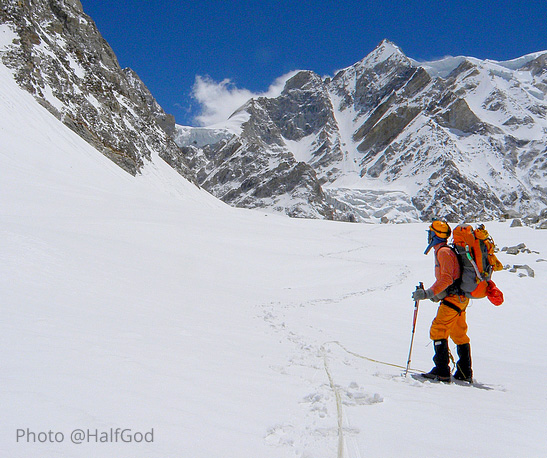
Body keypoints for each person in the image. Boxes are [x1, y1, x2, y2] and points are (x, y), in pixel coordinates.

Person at [411, 220, 473, 382]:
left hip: (452, 299)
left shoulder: (443, 252)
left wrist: (427, 293)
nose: (428, 236)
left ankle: (441, 370)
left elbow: (446, 279)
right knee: (459, 334)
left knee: (438, 329)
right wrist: (434, 294)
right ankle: (464, 372)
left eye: (430, 233)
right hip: (460, 298)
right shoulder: (447, 251)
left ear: (435, 236)